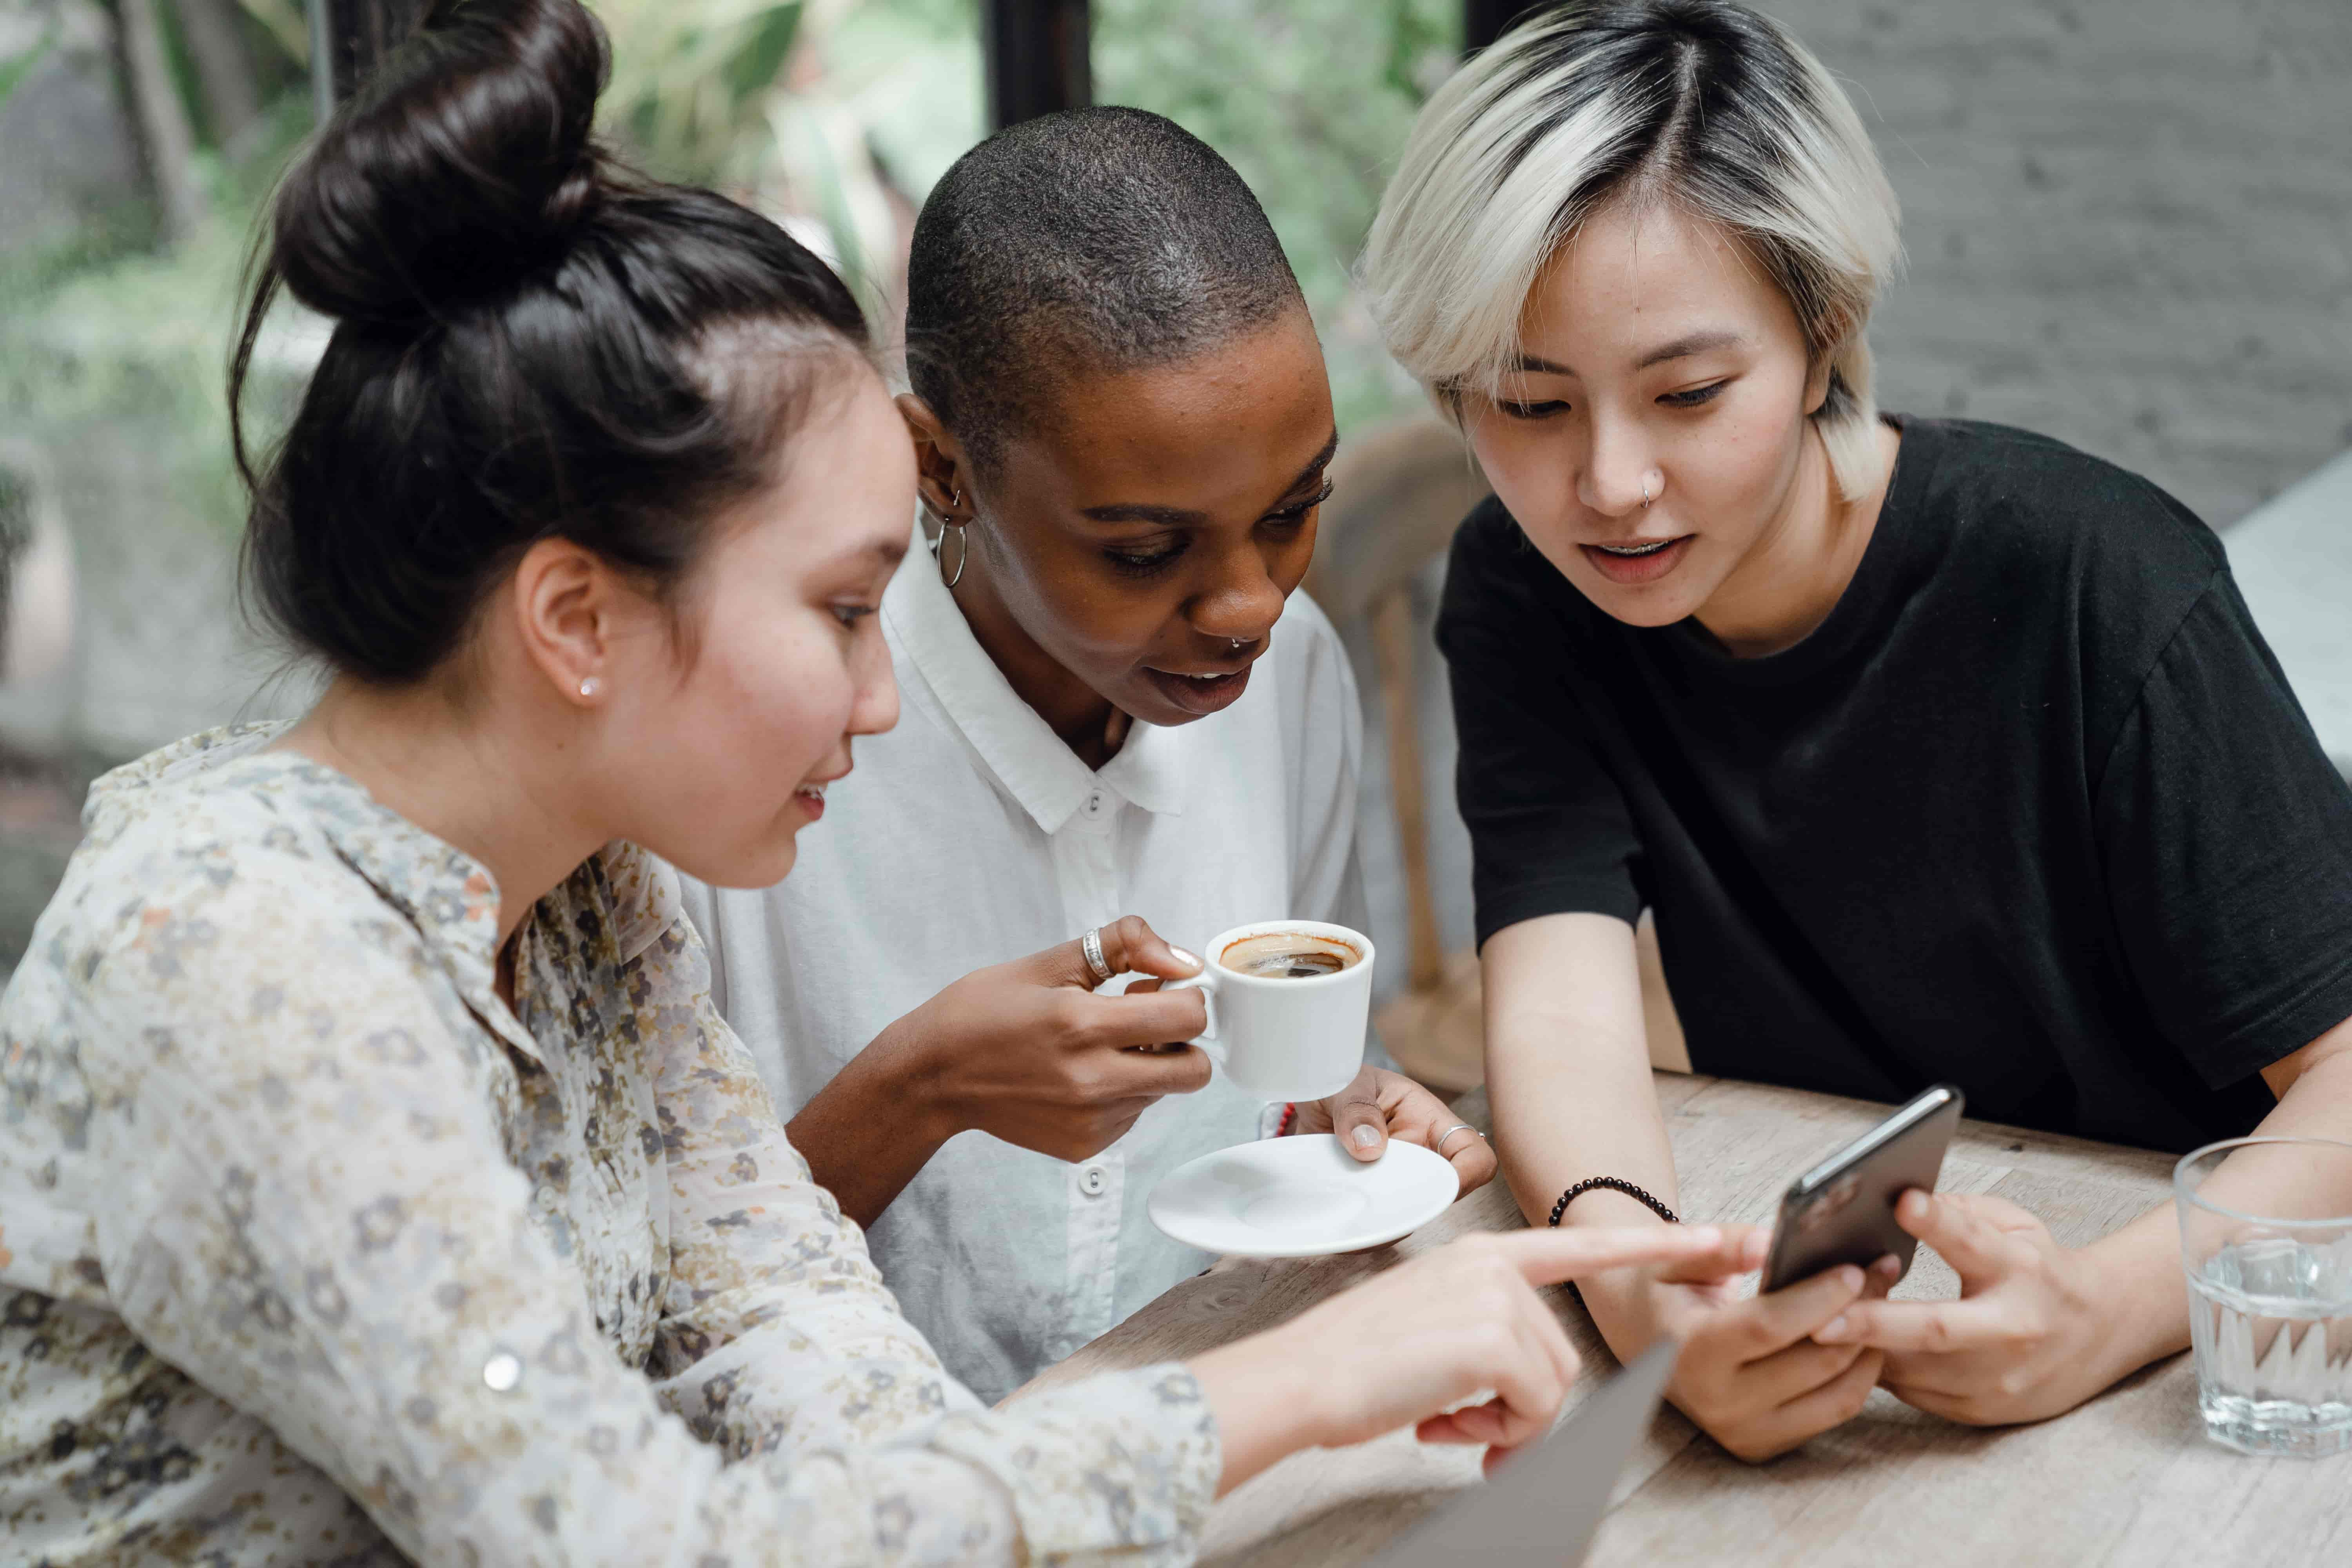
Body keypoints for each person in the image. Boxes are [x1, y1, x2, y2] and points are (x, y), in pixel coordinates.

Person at [0, 4, 1772, 1562]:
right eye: (849, 608)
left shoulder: (590, 901)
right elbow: (635, 1536)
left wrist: (1284, 1402)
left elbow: (787, 1340)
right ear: (573, 615)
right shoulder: (238, 954)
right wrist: (1294, 1390)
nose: (881, 691)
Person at [1358, 0, 2352, 1460]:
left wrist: (2108, 1308)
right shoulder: (1528, 583)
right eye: (1529, 403)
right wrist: (1651, 1312)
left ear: (1826, 336)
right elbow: (1563, 1010)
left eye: (1689, 393)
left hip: (2217, 1328)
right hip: (1849, 1279)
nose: (1610, 484)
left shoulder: (2092, 573)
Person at [680, 108, 1495, 1404]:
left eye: (1293, 513)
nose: (1248, 608)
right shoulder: (753, 760)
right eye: (1142, 552)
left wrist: (1350, 1115)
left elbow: (1299, 1098)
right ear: (939, 467)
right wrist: (919, 1090)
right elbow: (646, 1316)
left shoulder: (1296, 685)